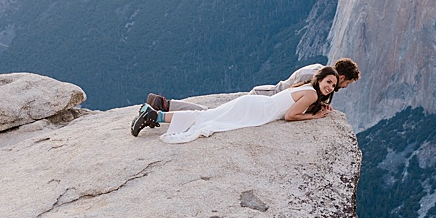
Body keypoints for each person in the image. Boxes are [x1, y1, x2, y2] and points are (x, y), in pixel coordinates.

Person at [130, 63, 352, 142]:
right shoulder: (312, 94)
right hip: (257, 109)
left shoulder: (308, 86)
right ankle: (155, 115)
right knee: (205, 118)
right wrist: (316, 115)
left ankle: (157, 113)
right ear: (323, 79)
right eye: (330, 83)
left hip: (254, 105)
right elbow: (290, 116)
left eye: (333, 86)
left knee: (208, 116)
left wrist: (317, 105)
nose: (332, 88)